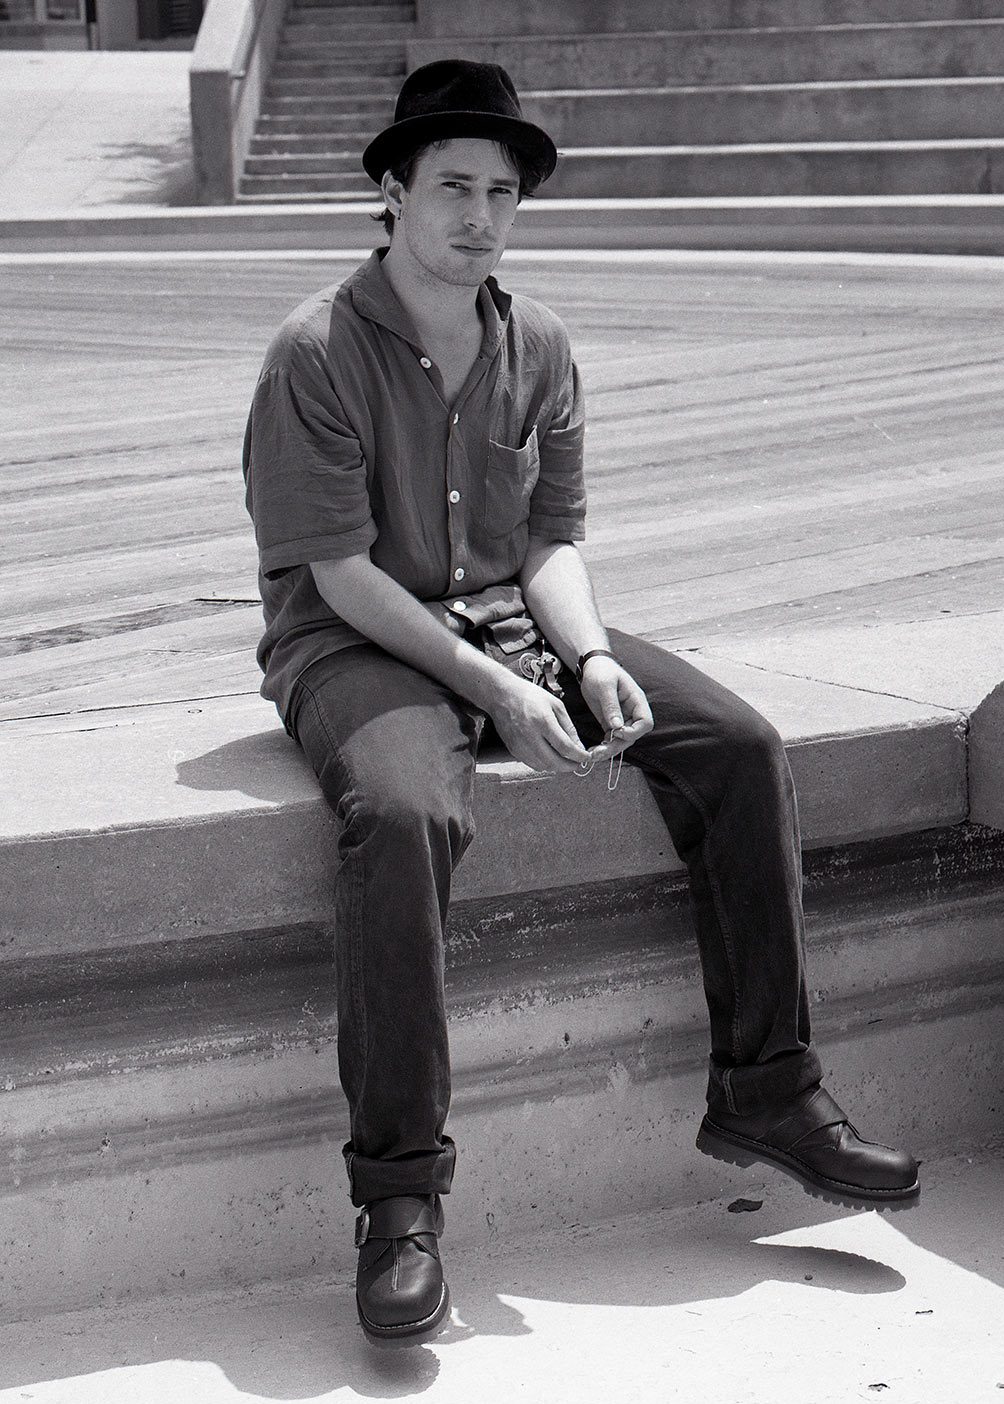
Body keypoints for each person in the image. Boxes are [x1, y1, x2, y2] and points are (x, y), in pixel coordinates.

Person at [242, 59, 920, 1348]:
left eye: (502, 193)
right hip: (356, 639)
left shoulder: (539, 343)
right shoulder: (315, 351)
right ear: (393, 193)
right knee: (403, 815)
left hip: (510, 617)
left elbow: (550, 539)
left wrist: (591, 657)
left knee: (737, 744)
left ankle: (769, 1091)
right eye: (453, 187)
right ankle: (400, 1202)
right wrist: (499, 689)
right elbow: (338, 573)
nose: (479, 217)